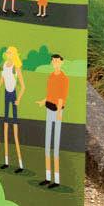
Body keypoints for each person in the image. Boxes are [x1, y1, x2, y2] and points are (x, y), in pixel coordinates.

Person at [36, 54, 70, 187]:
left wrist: (59, 111)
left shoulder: (64, 78)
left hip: (57, 111)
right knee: (47, 143)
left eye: (57, 60)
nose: (55, 62)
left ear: (61, 62)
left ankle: (56, 180)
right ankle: (47, 176)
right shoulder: (50, 76)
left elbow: (62, 96)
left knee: (55, 145)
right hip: (48, 109)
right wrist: (43, 101)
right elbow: (50, 94)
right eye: (53, 60)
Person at [0, 45, 26, 171]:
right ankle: (6, 161)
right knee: (5, 127)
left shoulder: (16, 67)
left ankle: (20, 164)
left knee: (15, 131)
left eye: (10, 52)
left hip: (13, 95)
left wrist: (19, 99)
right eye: (7, 52)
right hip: (6, 95)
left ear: (14, 54)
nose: (8, 54)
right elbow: (2, 81)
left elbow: (23, 86)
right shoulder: (4, 65)